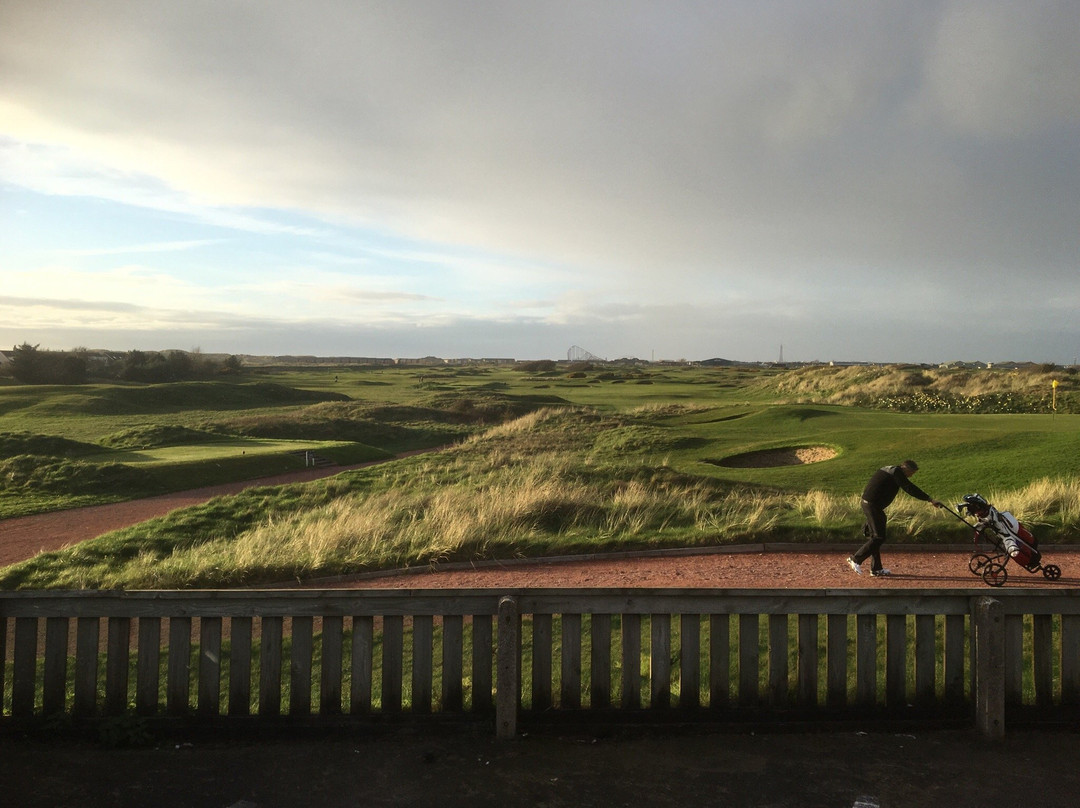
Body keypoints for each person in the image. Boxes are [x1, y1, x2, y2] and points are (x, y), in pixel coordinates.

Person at [847, 460, 942, 576]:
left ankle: (876, 569)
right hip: (872, 506)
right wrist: (930, 499)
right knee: (879, 537)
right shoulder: (896, 472)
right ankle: (856, 559)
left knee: (875, 538)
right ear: (905, 468)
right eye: (911, 473)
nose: (911, 475)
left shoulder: (892, 471)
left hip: (871, 505)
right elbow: (909, 488)